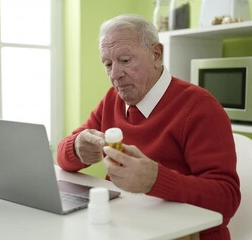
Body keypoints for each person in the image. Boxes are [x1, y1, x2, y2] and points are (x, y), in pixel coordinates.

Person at [57, 14, 240, 240]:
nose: (114, 75)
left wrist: (155, 180)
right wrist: (76, 148)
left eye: (125, 60)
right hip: (125, 228)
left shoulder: (200, 107)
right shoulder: (113, 99)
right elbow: (62, 158)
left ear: (156, 54)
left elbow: (227, 199)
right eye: (107, 64)